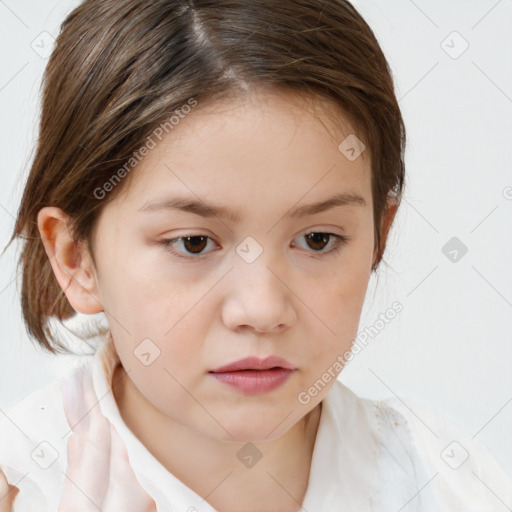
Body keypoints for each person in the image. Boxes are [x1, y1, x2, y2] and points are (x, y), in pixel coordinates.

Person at [0, 0, 510, 511]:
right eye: (194, 243)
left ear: (379, 236)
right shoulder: (22, 481)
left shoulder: (445, 478)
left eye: (317, 240)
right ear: (75, 259)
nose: (263, 309)